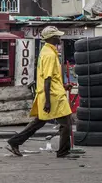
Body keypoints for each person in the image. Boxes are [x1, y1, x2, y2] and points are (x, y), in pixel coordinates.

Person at [6, 26, 76, 158]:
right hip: (53, 95)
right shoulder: (49, 55)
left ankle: (15, 141)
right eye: (57, 36)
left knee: (39, 122)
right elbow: (47, 79)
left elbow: (51, 78)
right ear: (50, 38)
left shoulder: (47, 52)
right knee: (66, 123)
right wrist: (48, 101)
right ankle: (63, 152)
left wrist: (63, 86)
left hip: (51, 92)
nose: (59, 38)